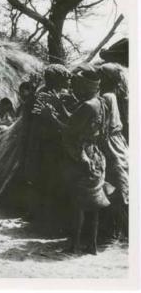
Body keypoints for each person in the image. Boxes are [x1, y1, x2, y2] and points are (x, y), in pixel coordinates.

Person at [37, 70, 110, 255]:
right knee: (94, 202)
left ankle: (74, 244)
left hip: (81, 156)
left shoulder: (86, 106)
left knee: (77, 203)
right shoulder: (100, 102)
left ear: (85, 86)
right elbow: (77, 121)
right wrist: (60, 106)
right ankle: (92, 245)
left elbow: (70, 131)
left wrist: (51, 117)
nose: (73, 89)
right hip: (95, 155)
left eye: (76, 86)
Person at [23, 64, 74, 229]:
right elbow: (38, 118)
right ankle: (42, 215)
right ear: (57, 80)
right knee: (44, 177)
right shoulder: (44, 94)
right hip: (45, 142)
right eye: (66, 78)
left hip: (51, 140)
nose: (69, 80)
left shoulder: (59, 93)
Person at [97, 64, 129, 240]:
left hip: (111, 144)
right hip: (117, 142)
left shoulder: (106, 98)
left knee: (113, 185)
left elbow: (101, 127)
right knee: (117, 184)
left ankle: (115, 230)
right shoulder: (115, 96)